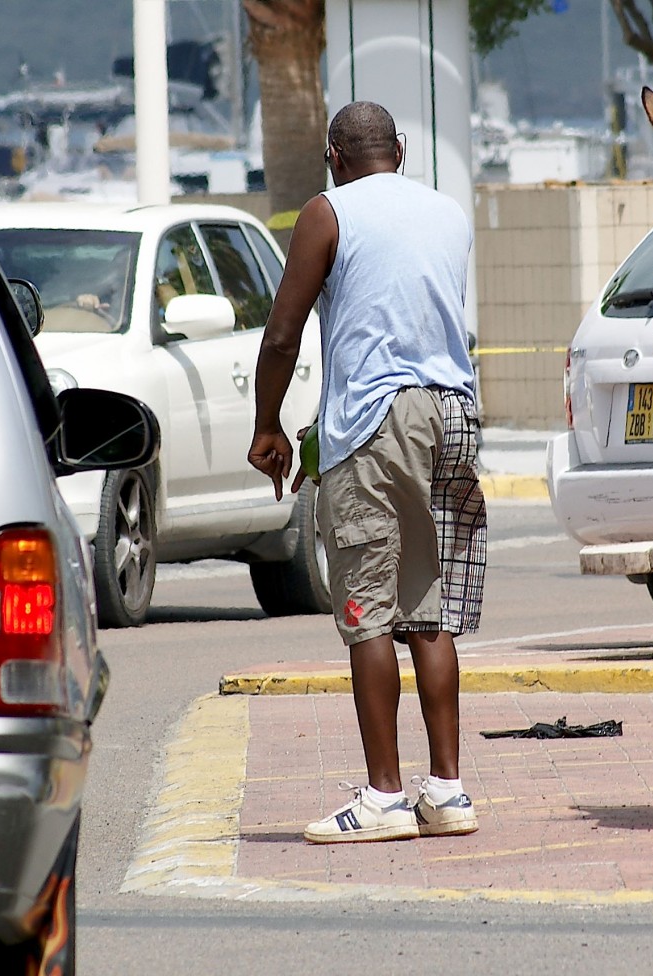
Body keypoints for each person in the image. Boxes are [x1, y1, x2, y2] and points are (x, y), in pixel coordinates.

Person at [247, 100, 486, 845]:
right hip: (451, 416)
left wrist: (266, 424)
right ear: (402, 150)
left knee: (369, 611)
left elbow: (284, 331)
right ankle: (446, 792)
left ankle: (384, 797)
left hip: (374, 421)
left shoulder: (327, 213)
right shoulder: (447, 213)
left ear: (333, 157)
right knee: (428, 607)